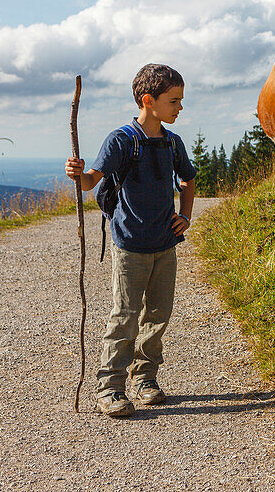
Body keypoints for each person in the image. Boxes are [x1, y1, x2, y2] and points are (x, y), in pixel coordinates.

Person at [65, 63, 197, 417]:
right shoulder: (122, 139)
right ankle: (110, 388)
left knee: (159, 315)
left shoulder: (172, 142)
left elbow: (187, 179)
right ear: (148, 100)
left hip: (165, 243)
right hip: (130, 244)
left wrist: (185, 215)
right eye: (174, 100)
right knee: (125, 315)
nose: (180, 107)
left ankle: (145, 379)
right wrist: (77, 175)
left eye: (180, 100)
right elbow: (92, 180)